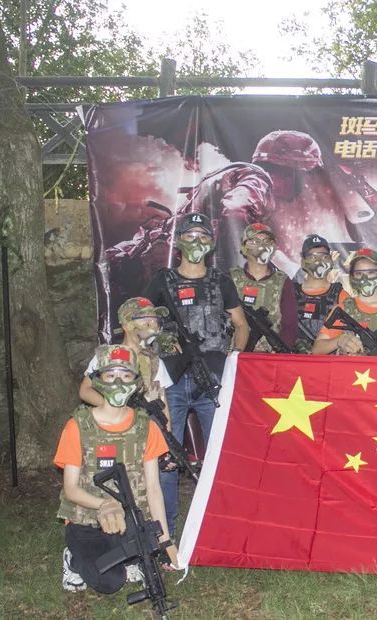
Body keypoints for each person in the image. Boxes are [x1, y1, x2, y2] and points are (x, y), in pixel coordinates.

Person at [143, 211, 249, 535]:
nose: (196, 241)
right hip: (171, 380)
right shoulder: (162, 281)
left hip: (212, 380)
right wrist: (155, 353)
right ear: (179, 242)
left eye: (202, 235)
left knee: (222, 454)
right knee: (166, 455)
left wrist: (233, 359)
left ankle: (225, 523)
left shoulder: (221, 281)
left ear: (211, 243)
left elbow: (241, 325)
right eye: (190, 236)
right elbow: (139, 323)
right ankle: (165, 531)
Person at [55, 345, 179, 593]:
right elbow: (71, 489)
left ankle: (129, 559)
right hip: (87, 520)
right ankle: (73, 559)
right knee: (111, 581)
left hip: (130, 519)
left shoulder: (146, 427)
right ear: (98, 379)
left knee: (144, 556)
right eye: (111, 375)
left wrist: (165, 540)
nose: (118, 382)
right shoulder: (77, 426)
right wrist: (104, 505)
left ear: (136, 380)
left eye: (126, 375)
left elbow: (153, 488)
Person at [312, 248, 377, 356]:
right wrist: (339, 341)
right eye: (359, 273)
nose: (365, 278)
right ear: (352, 277)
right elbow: (317, 349)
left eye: (371, 272)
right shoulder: (344, 308)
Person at [229, 223, 299, 352]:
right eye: (254, 241)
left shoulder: (282, 281)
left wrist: (280, 356)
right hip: (235, 355)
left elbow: (289, 325)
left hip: (269, 356)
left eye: (267, 241)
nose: (262, 245)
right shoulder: (230, 278)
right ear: (244, 247)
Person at [293, 234, 344, 352]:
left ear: (330, 260)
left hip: (326, 361)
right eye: (312, 256)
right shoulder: (289, 293)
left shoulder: (341, 295)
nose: (318, 261)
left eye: (324, 256)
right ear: (303, 261)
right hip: (291, 359)